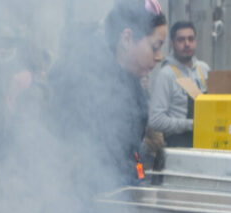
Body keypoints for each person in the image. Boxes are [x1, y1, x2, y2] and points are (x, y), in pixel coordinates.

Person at [48, 0, 166, 195]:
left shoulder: (130, 79)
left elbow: (129, 148)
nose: (160, 56)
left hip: (118, 194)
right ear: (127, 39)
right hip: (92, 202)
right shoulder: (90, 81)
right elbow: (96, 163)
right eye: (155, 47)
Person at [148, 21, 210, 149]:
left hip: (206, 144)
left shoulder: (204, 69)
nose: (187, 44)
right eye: (181, 40)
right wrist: (191, 125)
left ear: (196, 41)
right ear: (172, 43)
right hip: (178, 148)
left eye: (190, 39)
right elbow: (155, 120)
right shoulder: (166, 75)